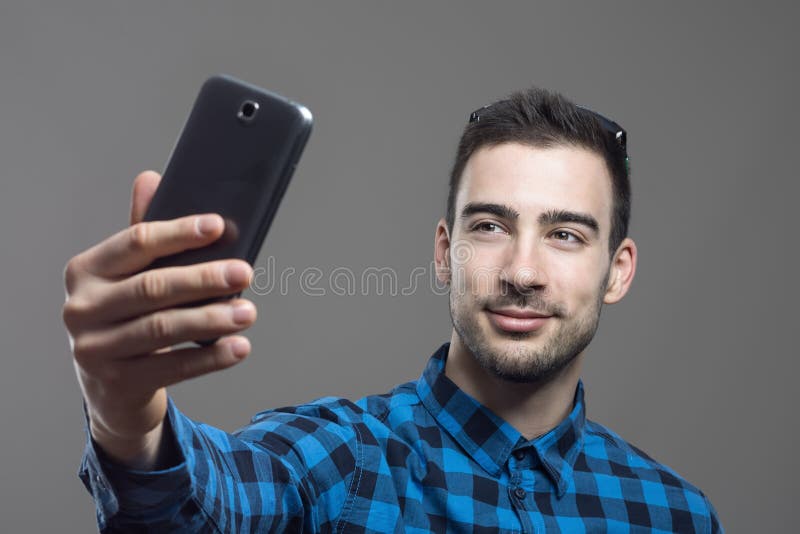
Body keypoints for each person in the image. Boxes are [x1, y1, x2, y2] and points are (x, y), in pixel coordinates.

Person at [63, 86, 723, 532]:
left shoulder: (676, 515)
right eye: (490, 227)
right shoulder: (342, 461)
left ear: (619, 270)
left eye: (566, 235)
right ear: (444, 252)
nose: (523, 272)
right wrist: (129, 426)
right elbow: (212, 503)